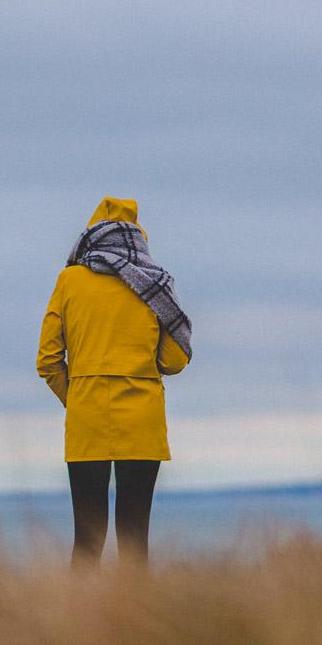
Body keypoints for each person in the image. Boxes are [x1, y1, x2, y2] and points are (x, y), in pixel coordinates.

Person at [37, 196, 192, 566]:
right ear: (139, 236)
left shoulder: (69, 280)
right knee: (135, 537)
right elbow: (175, 359)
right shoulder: (153, 282)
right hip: (142, 418)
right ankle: (134, 622)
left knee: (87, 540)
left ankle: (78, 621)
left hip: (87, 415)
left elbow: (47, 361)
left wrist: (77, 396)